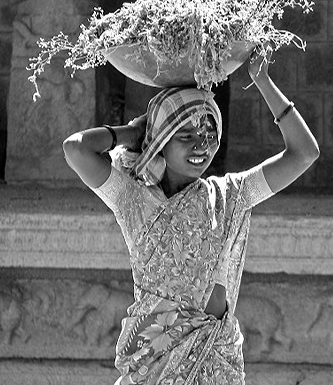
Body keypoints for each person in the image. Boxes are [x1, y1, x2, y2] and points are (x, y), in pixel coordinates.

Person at [63, 47, 319, 384]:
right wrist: (135, 132)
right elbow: (76, 148)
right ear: (160, 142)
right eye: (186, 136)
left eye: (210, 135)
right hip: (153, 360)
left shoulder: (230, 195)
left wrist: (263, 82)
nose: (202, 145)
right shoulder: (133, 199)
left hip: (214, 358)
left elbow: (304, 153)